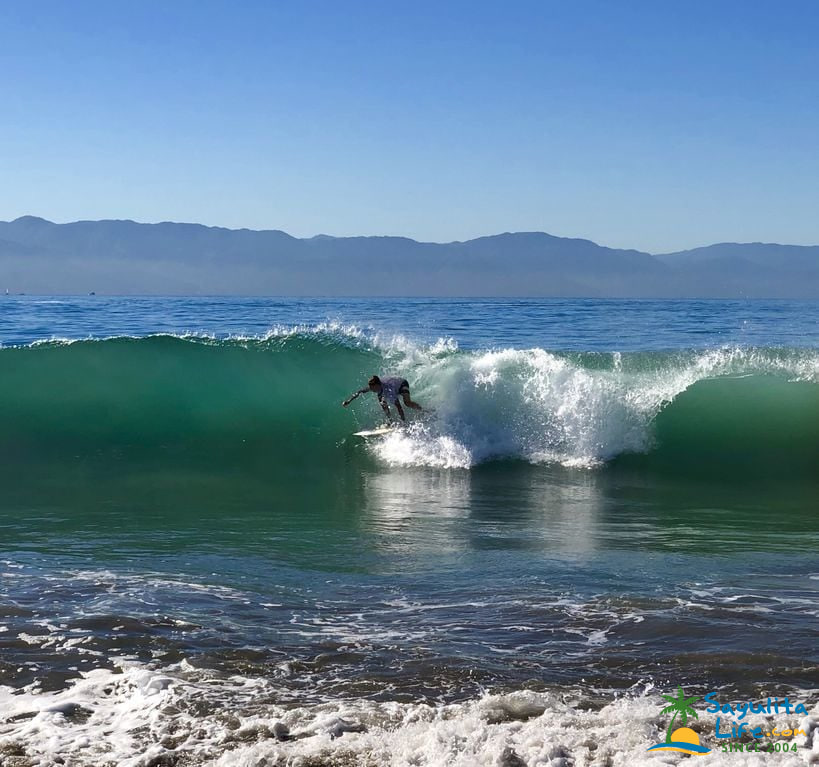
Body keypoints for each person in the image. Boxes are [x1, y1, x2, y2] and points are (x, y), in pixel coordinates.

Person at [342, 375, 422, 422]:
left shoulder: (389, 390)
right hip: (392, 384)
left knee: (407, 403)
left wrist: (403, 421)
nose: (372, 390)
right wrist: (349, 401)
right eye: (371, 388)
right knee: (382, 403)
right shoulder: (374, 387)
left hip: (402, 384)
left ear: (378, 385)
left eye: (373, 388)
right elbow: (360, 392)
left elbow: (399, 407)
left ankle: (421, 409)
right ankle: (390, 421)